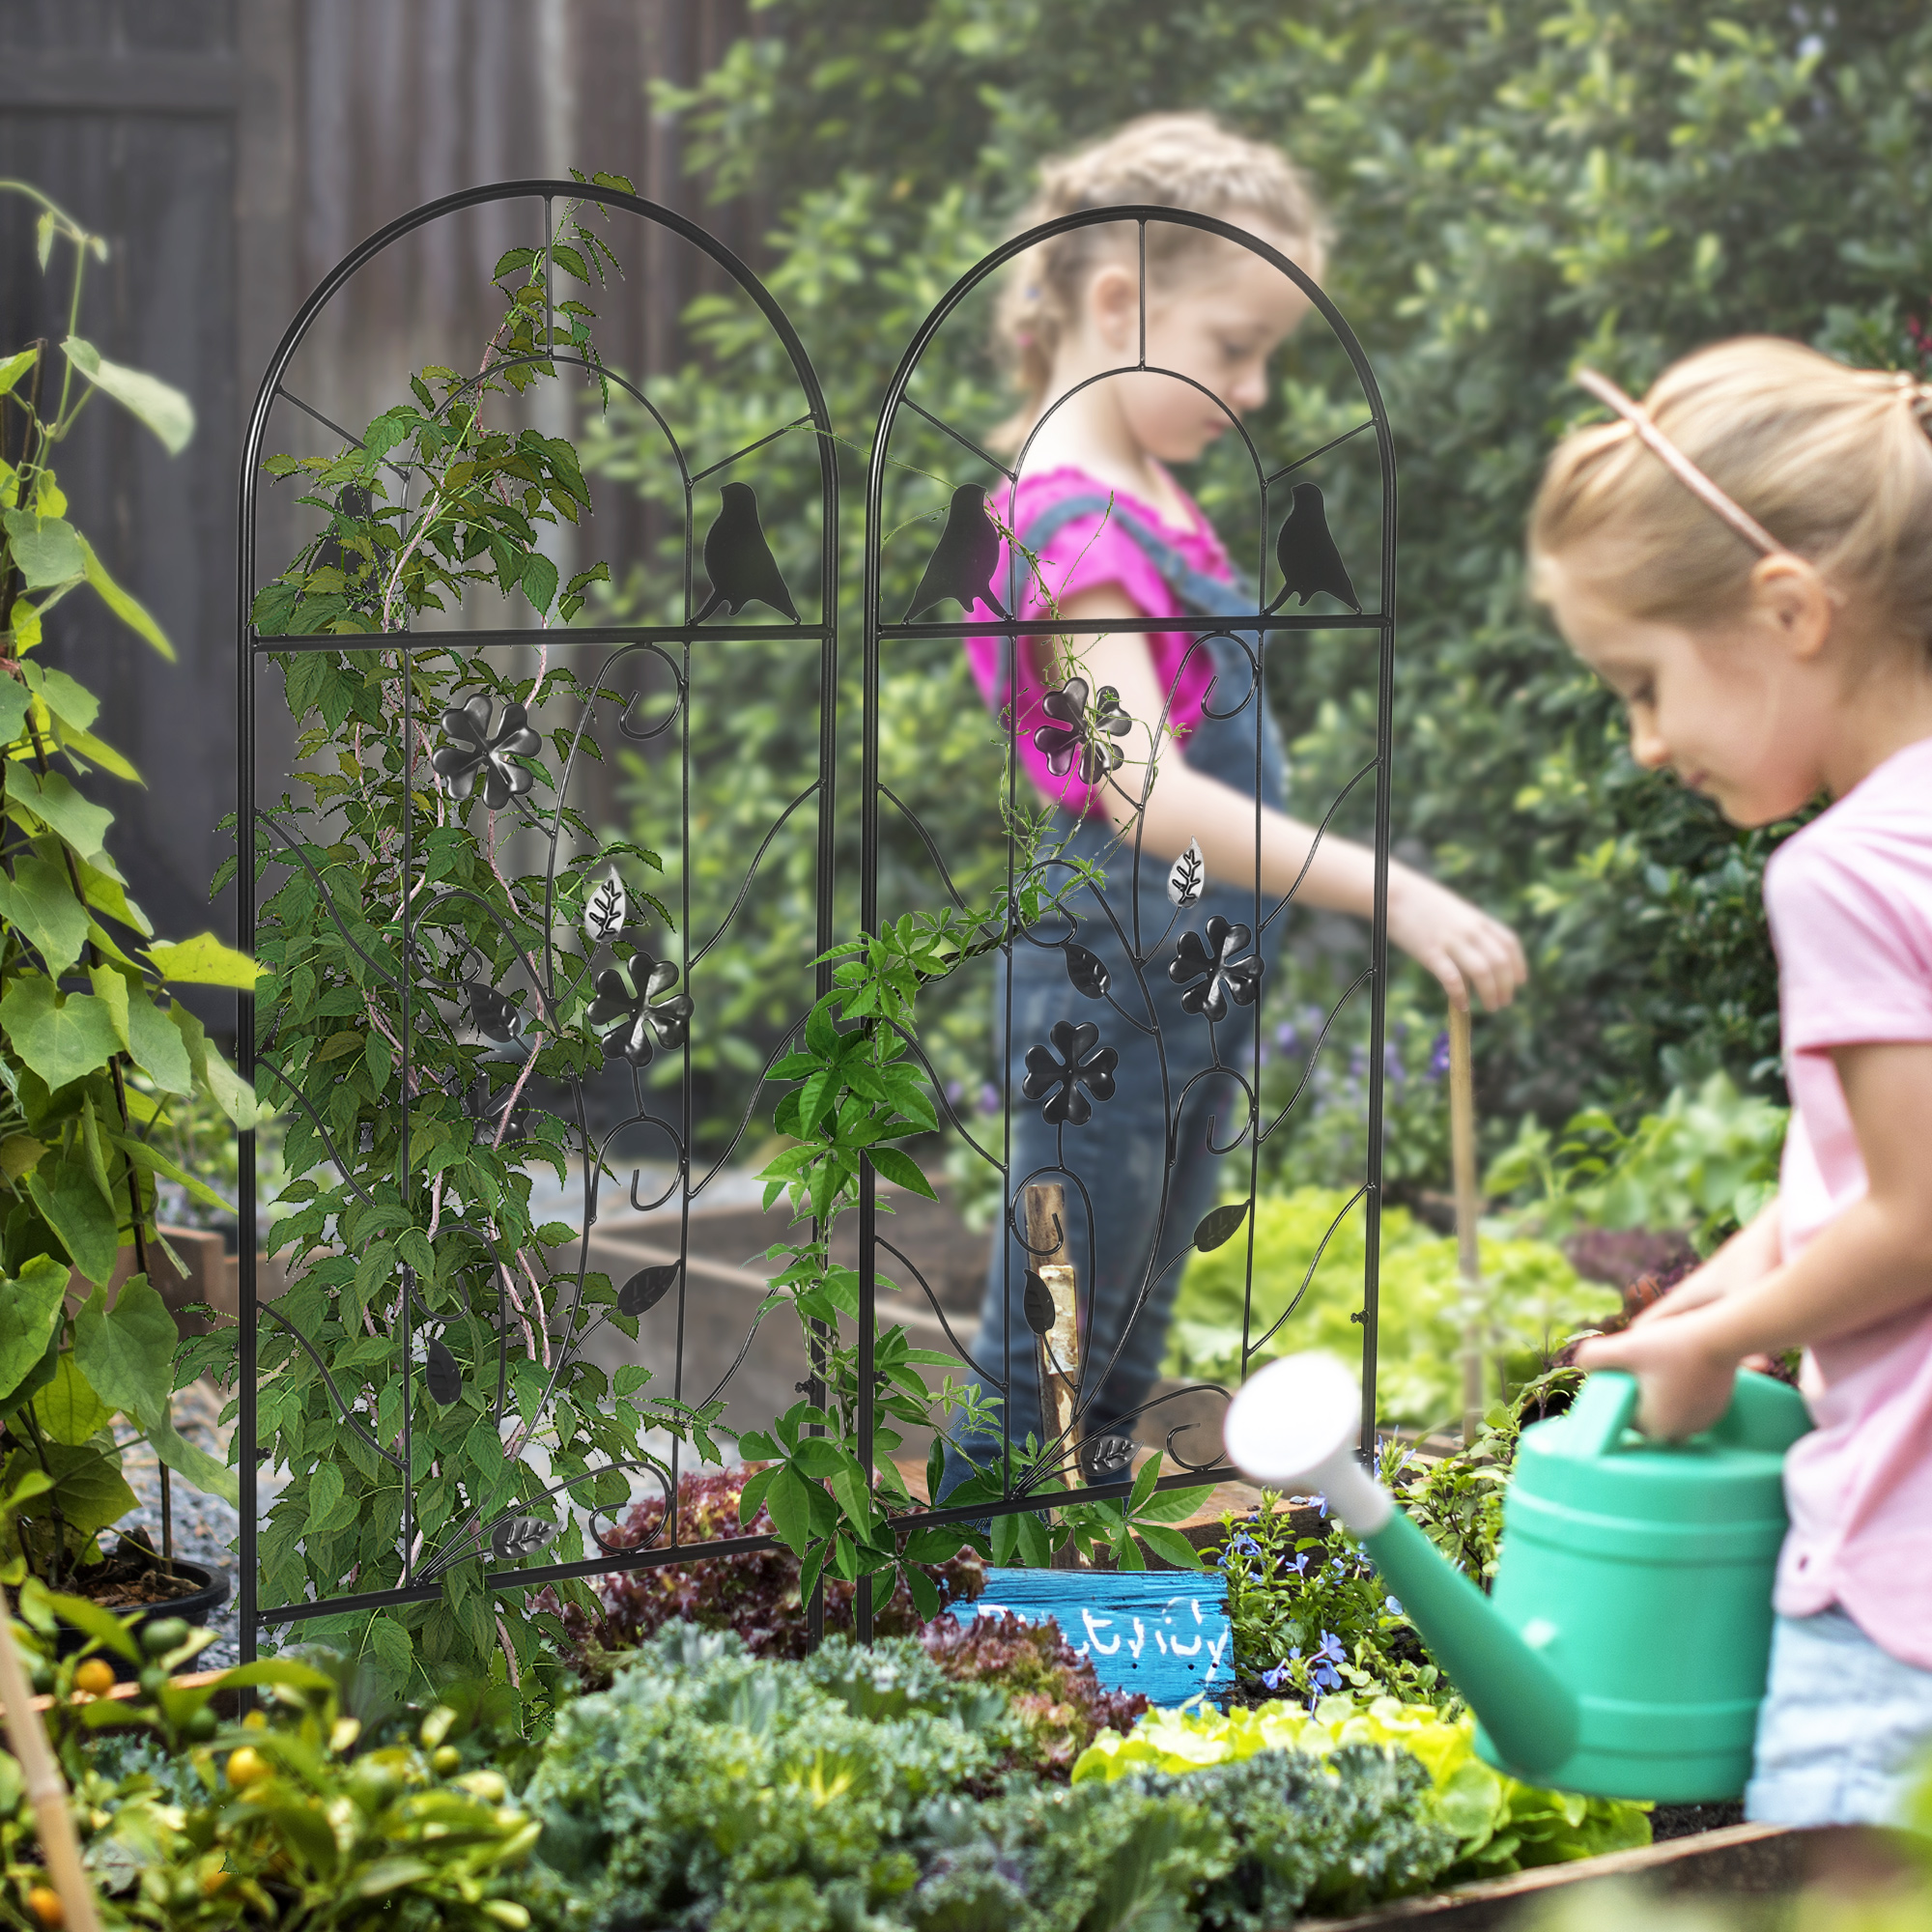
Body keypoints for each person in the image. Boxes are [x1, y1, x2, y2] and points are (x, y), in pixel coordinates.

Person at [940, 115, 1525, 1497]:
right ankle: (954, 1589)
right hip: (1104, 979)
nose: (1256, 390)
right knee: (1055, 1332)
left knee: (1130, 1309)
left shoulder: (1152, 488)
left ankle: (1061, 1590)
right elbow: (1143, 791)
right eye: (1232, 348)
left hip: (1188, 966)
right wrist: (1394, 889)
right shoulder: (1073, 518)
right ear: (1116, 305)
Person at [1533, 339, 1932, 1846]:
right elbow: (1841, 1175)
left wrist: (1720, 1349)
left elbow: (1913, 1219)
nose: (1644, 742)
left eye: (1646, 684)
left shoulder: (1844, 874)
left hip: (1896, 1592)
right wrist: (1700, 1307)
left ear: (1787, 612)